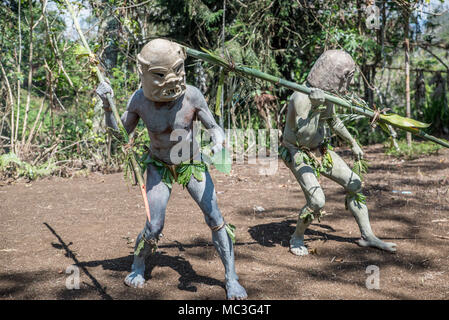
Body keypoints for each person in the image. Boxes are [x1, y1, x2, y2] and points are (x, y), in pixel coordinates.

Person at [96, 38, 247, 299]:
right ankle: (138, 265)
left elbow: (214, 127)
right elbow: (120, 136)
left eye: (177, 71)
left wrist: (219, 140)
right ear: (146, 74)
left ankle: (231, 277)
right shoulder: (139, 101)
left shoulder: (192, 96)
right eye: (162, 75)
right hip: (159, 165)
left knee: (214, 218)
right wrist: (108, 106)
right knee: (154, 225)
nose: (173, 80)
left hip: (191, 162)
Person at [279, 50, 397, 256]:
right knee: (317, 201)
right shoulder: (300, 98)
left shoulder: (327, 94)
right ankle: (296, 236)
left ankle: (367, 235)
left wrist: (353, 143)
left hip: (321, 150)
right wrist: (316, 108)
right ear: (334, 74)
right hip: (297, 150)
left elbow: (333, 121)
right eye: (346, 77)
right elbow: (303, 138)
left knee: (355, 183)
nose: (347, 83)